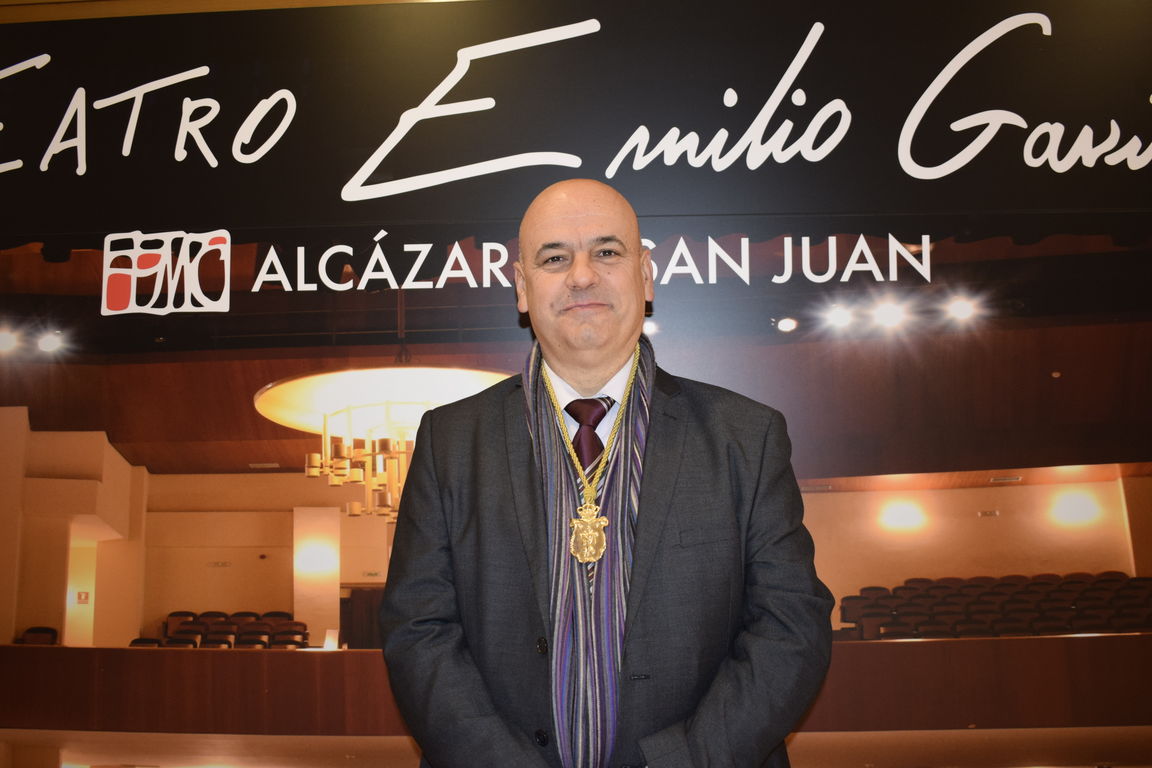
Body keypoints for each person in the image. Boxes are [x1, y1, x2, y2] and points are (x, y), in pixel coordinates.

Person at [380, 179, 833, 768]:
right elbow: (418, 631)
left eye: (607, 252)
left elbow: (790, 628)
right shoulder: (449, 440)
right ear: (522, 288)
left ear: (645, 276)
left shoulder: (746, 436)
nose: (582, 275)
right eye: (554, 258)